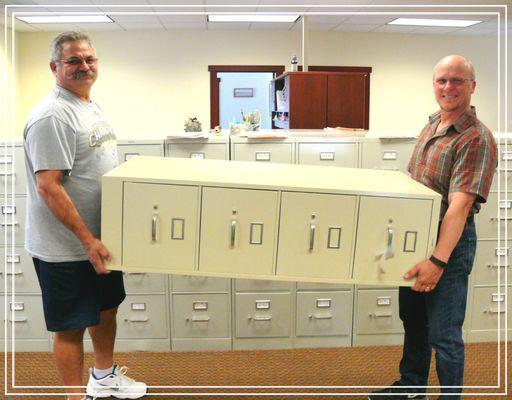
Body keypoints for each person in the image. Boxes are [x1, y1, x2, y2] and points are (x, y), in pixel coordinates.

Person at [23, 32, 147, 400]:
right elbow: (49, 185)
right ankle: (76, 396)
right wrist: (87, 240)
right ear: (55, 67)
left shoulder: (88, 105)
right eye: (74, 61)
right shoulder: (52, 115)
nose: (84, 66)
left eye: (89, 59)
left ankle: (104, 377)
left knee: (106, 310)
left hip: (102, 239)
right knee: (70, 327)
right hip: (69, 247)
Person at [369, 55, 497, 400]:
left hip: (448, 246)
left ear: (472, 86)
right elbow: (417, 181)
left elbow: (460, 205)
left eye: (457, 81)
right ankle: (412, 388)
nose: (448, 87)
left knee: (444, 333)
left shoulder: (476, 138)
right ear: (434, 85)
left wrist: (437, 261)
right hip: (416, 237)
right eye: (442, 80)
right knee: (414, 323)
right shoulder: (432, 124)